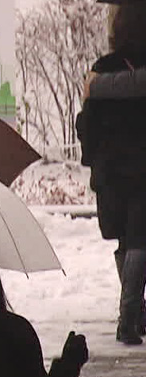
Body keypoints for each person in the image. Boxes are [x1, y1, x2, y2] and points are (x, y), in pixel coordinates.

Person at [76, 5, 146, 344]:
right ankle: (130, 317)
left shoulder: (101, 70)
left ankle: (135, 314)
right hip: (142, 170)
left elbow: (85, 123)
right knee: (139, 240)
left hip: (112, 172)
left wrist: (95, 157)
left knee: (126, 240)